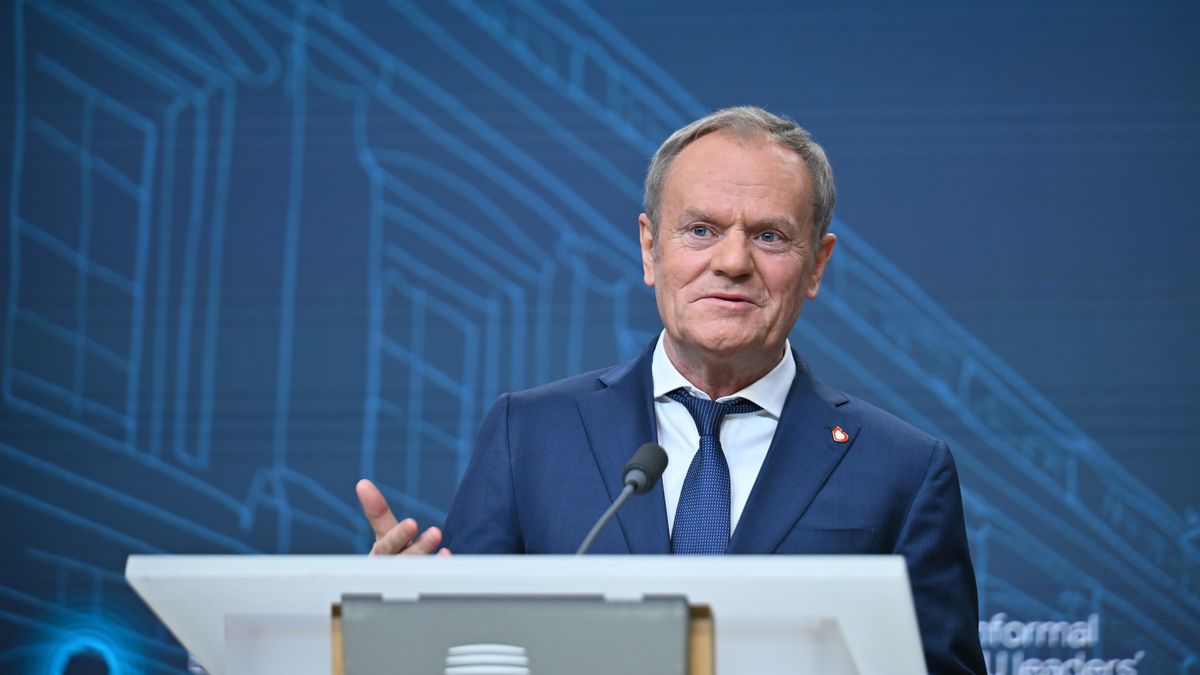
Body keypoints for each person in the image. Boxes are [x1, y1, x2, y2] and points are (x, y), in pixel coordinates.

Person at [356, 106, 987, 673]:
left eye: (768, 236)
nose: (733, 262)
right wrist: (398, 630)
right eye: (701, 230)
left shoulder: (903, 469)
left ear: (817, 264)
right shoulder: (531, 433)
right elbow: (465, 657)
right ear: (650, 247)